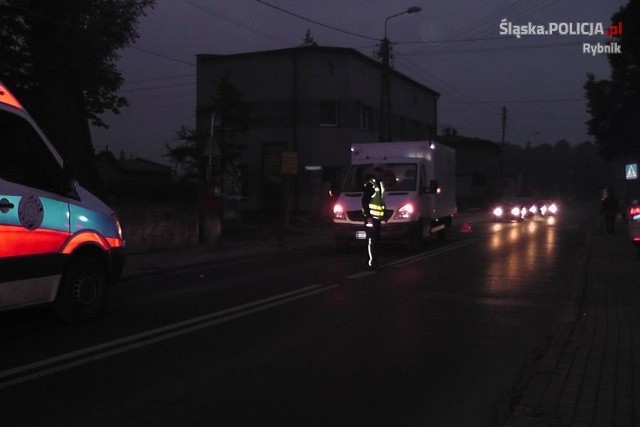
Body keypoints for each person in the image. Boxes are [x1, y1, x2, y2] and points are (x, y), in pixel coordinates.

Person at [361, 164, 386, 269]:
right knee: (371, 241)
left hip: (377, 218)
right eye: (378, 172)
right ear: (375, 173)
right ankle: (371, 263)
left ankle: (374, 262)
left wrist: (384, 213)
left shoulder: (380, 184)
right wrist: (368, 216)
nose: (379, 174)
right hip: (371, 218)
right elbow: (365, 201)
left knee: (375, 241)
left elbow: (381, 201)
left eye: (380, 172)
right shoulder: (371, 185)